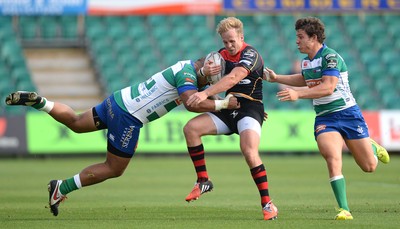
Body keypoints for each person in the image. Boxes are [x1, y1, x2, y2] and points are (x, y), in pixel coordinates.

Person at [5, 58, 240, 217]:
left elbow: (196, 91)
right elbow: (192, 103)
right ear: (205, 69)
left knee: (76, 123)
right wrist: (222, 103)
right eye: (210, 81)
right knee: (114, 168)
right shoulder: (188, 75)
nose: (209, 85)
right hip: (128, 117)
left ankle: (42, 102)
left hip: (118, 100)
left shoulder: (186, 68)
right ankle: (61, 187)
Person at [263, 16, 390, 220]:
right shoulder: (306, 61)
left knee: (369, 166)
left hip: (349, 115)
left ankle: (372, 147)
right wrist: (276, 78)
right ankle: (344, 209)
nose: (296, 41)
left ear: (313, 38)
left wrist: (298, 94)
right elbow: (305, 78)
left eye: (300, 37)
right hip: (325, 118)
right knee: (332, 157)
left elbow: (328, 87)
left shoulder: (330, 57)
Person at [183, 17, 278, 220]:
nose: (229, 45)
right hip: (227, 108)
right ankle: (203, 181)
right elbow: (205, 77)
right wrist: (204, 73)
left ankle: (267, 203)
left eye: (232, 41)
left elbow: (233, 78)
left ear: (241, 37)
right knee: (191, 129)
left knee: (249, 151)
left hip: (249, 108)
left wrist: (205, 94)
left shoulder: (251, 54)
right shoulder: (219, 56)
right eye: (225, 41)